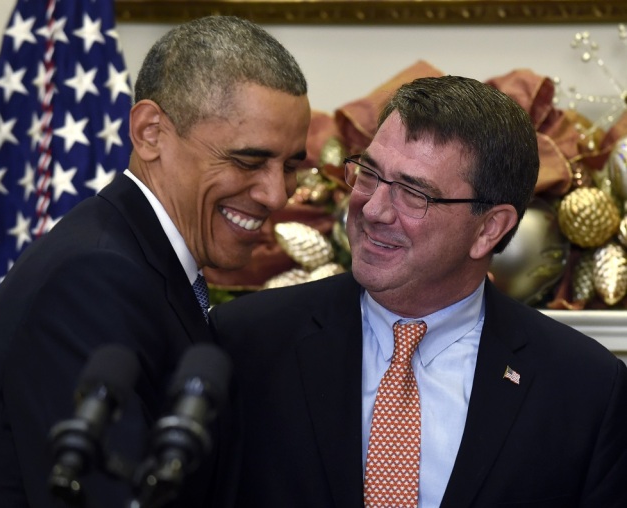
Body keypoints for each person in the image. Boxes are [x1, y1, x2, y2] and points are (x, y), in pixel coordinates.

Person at [210, 75, 627, 507]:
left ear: (489, 229)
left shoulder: (584, 388)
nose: (372, 209)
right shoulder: (247, 343)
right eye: (369, 174)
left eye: (413, 193)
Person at [0, 15, 310, 508]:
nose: (277, 193)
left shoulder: (133, 253)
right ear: (151, 132)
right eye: (248, 161)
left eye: (292, 166)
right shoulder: (94, 279)